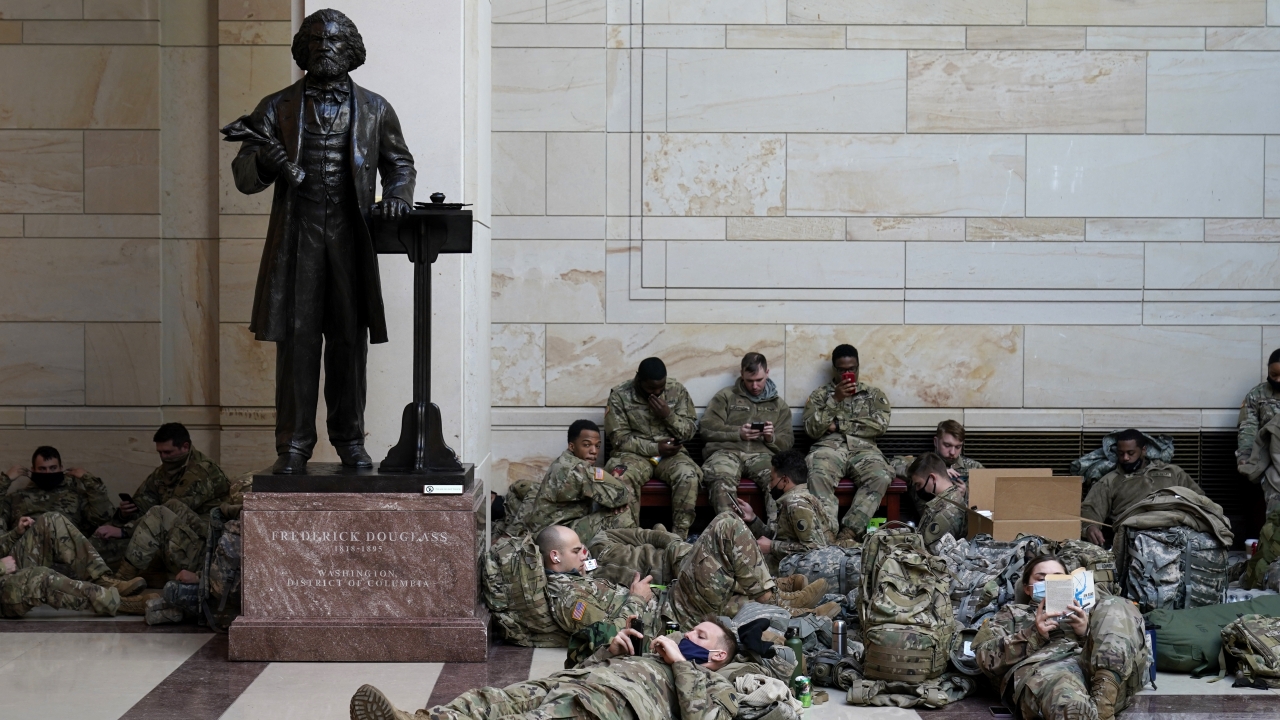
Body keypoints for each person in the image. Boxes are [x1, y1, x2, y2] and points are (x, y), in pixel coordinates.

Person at [223, 8, 416, 474]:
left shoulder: (375, 108)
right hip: (298, 240)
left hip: (351, 242)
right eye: (315, 41)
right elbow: (245, 177)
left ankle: (350, 439)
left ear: (350, 49)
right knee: (298, 346)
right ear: (302, 50)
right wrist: (269, 161)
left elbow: (401, 165)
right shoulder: (276, 106)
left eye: (333, 41)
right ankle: (293, 445)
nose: (324, 49)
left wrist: (396, 197)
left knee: (349, 344)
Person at [349, 618, 741, 720]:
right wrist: (607, 652)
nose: (689, 633)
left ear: (719, 655)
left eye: (700, 634)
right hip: (564, 686)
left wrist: (679, 663)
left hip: (603, 708)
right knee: (489, 700)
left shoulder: (712, 683)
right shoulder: (652, 656)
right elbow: (584, 671)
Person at [974, 554, 1148, 720]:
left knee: (1116, 603)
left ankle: (1102, 707)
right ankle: (1083, 711)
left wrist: (1086, 632)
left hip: (1104, 681)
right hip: (1050, 678)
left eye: (1058, 578)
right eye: (1042, 579)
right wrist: (1034, 634)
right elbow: (984, 658)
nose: (1049, 584)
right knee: (1063, 689)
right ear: (1027, 588)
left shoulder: (1092, 612)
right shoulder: (1013, 613)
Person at [94, 423, 231, 583]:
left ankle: (121, 582)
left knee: (167, 509)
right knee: (102, 545)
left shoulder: (201, 472)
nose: (163, 457)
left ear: (185, 447)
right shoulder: (163, 472)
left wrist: (124, 531)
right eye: (160, 452)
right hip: (169, 537)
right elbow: (144, 502)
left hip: (201, 544)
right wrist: (126, 513)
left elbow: (168, 512)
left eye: (168, 452)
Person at [801, 344, 893, 541]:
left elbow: (878, 426)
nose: (848, 373)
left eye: (852, 369)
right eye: (842, 370)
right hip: (829, 449)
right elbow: (811, 429)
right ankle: (827, 534)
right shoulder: (820, 396)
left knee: (881, 476)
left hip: (864, 450)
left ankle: (849, 532)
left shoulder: (873, 395)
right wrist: (835, 399)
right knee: (817, 472)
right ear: (834, 369)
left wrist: (839, 424)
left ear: (858, 367)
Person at [602, 357, 701, 538]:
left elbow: (689, 431)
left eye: (660, 388)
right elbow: (619, 439)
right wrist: (655, 448)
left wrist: (668, 416)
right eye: (650, 389)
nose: (656, 393)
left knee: (688, 475)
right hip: (633, 455)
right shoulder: (619, 395)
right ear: (638, 380)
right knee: (621, 476)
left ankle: (679, 539)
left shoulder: (676, 391)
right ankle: (630, 541)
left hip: (671, 455)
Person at [700, 352, 794, 524]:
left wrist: (770, 438)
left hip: (762, 456)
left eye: (759, 380)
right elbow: (706, 428)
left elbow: (787, 443)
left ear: (767, 372)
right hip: (726, 452)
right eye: (750, 381)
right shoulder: (726, 396)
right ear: (742, 374)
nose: (755, 386)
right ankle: (731, 534)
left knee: (779, 480)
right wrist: (738, 433)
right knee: (720, 476)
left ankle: (775, 536)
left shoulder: (778, 405)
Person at [0, 512, 148, 618]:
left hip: (7, 567)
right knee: (40, 577)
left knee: (51, 521)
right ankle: (116, 602)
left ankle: (103, 580)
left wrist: (14, 534)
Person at [1081, 429, 1200, 547]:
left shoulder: (1173, 472)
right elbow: (1090, 509)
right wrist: (1090, 527)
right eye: (1121, 453)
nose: (1125, 458)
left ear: (1143, 450)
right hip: (1135, 537)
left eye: (1131, 453)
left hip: (1175, 532)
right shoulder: (1110, 480)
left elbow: (1199, 500)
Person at [518, 420, 634, 539]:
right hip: (554, 537)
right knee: (621, 514)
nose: (594, 451)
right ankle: (618, 552)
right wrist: (617, 481)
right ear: (572, 446)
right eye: (587, 445)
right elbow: (623, 496)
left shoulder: (564, 461)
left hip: (547, 530)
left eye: (597, 446)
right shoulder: (577, 469)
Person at [734, 449, 832, 572]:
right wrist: (753, 519)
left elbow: (816, 550)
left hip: (797, 573)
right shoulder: (794, 499)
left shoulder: (797, 504)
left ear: (785, 481)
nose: (770, 485)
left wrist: (772, 547)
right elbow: (782, 539)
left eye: (771, 479)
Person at [1, 445, 114, 536]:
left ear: (61, 468)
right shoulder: (17, 497)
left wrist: (90, 481)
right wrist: (5, 481)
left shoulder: (76, 495)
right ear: (33, 470)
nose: (48, 473)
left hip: (66, 551)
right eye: (42, 469)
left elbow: (101, 518)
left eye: (53, 468)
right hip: (28, 550)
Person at [1238, 348, 1280, 510]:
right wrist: (1245, 455)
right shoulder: (1257, 395)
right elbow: (1248, 427)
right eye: (1273, 374)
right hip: (1265, 454)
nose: (1278, 379)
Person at [906, 452, 970, 552]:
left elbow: (929, 554)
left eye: (919, 484)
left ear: (932, 478)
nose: (917, 489)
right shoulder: (945, 501)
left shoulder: (946, 513)